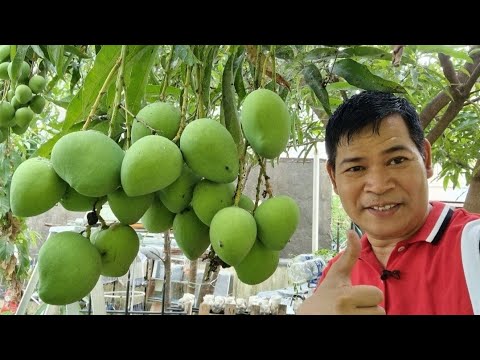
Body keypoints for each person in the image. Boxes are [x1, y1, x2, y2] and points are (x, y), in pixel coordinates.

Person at [297, 91, 480, 315]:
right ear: (334, 178)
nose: (379, 185)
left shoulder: (473, 244)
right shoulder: (335, 279)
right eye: (356, 168)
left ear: (426, 158)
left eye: (396, 160)